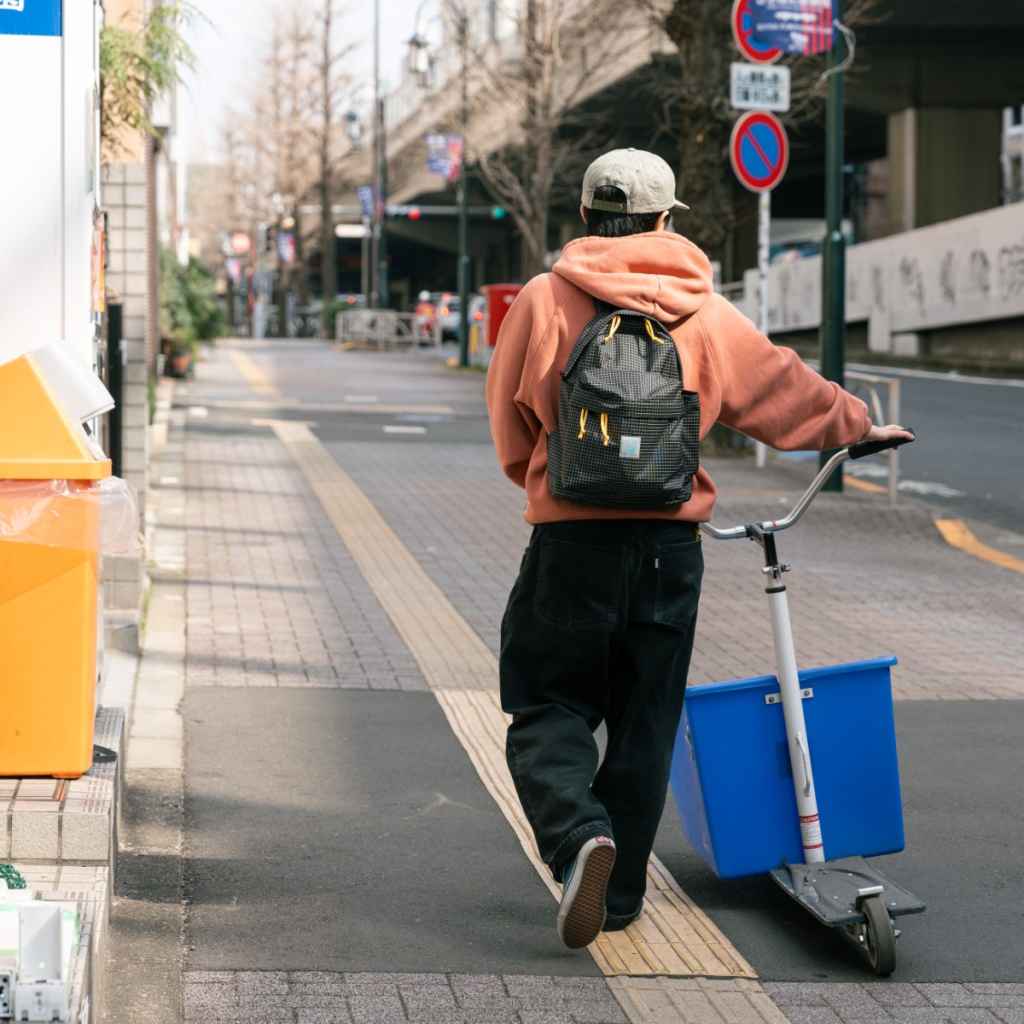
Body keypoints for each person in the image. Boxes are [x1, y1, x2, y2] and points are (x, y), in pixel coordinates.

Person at [485, 148, 913, 950]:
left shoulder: (544, 299)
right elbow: (783, 390)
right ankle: (619, 898)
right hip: (669, 548)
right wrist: (860, 426)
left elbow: (512, 436)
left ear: (585, 217)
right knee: (646, 719)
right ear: (662, 219)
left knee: (547, 702)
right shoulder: (701, 309)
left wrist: (548, 485)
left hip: (570, 542)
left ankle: (580, 836)